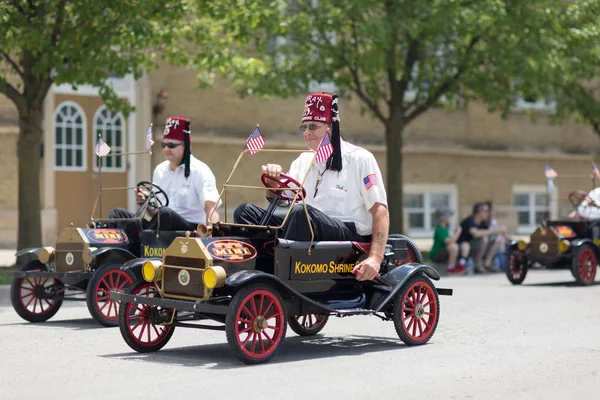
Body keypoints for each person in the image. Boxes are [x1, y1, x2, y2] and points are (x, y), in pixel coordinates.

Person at [234, 93, 389, 281]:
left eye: (313, 126)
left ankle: (276, 277)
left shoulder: (360, 159)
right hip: (306, 229)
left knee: (301, 213)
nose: (307, 132)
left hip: (347, 237)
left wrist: (375, 258)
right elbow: (282, 201)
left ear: (332, 127)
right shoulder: (304, 159)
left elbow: (380, 211)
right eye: (304, 127)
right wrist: (273, 182)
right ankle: (253, 267)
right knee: (244, 212)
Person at [108, 116, 220, 233]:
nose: (166, 149)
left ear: (185, 146)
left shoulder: (200, 170)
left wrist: (209, 235)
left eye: (171, 145)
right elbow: (155, 212)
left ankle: (140, 238)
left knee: (166, 213)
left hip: (189, 231)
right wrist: (146, 202)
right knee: (117, 214)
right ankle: (125, 245)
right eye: (163, 145)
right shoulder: (160, 170)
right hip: (162, 226)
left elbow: (211, 208)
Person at [456, 202, 506, 273]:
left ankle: (487, 262)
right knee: (484, 239)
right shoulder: (470, 220)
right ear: (480, 212)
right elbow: (475, 233)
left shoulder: (483, 223)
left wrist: (498, 231)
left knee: (499, 239)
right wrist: (494, 230)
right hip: (464, 247)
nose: (488, 214)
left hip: (476, 246)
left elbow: (489, 231)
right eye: (486, 211)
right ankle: (478, 265)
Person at [430, 209, 464, 275]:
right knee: (454, 246)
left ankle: (460, 264)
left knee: (457, 246)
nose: (450, 219)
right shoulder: (439, 229)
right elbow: (450, 241)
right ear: (443, 218)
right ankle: (451, 268)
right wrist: (458, 232)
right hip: (436, 255)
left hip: (443, 253)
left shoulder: (444, 229)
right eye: (448, 217)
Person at [482, 200, 507, 271]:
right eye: (493, 209)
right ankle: (488, 262)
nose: (494, 211)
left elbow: (499, 231)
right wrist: (500, 229)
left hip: (493, 241)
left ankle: (503, 265)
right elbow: (490, 231)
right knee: (500, 239)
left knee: (502, 239)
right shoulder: (484, 221)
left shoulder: (493, 221)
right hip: (486, 242)